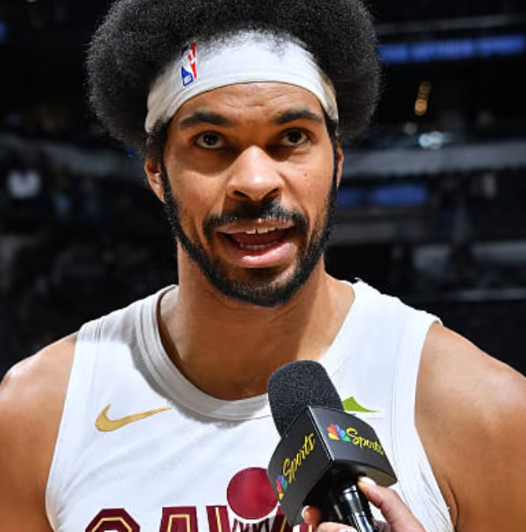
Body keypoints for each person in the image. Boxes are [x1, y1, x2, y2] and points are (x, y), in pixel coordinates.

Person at [0, 0, 525, 531]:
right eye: (211, 141)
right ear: (157, 171)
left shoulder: (482, 410)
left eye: (292, 137)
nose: (255, 182)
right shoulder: (36, 412)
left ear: (337, 163)